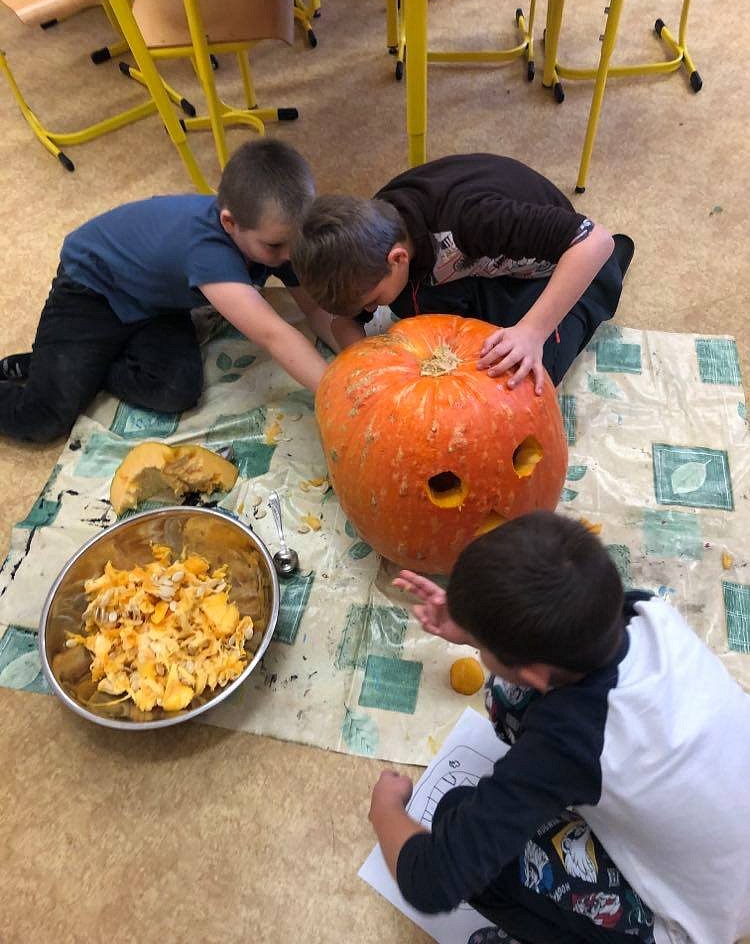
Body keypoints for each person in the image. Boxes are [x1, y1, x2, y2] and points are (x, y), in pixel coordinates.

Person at [368, 512, 750, 944]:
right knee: (508, 698)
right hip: (725, 837)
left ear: (533, 670)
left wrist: (386, 811)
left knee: (454, 813)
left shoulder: (569, 740)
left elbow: (433, 881)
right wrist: (479, 627)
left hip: (698, 921)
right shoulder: (645, 610)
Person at [0, 139, 334, 444]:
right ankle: (64, 368)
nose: (290, 254)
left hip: (156, 301)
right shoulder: (208, 253)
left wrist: (356, 357)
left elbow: (316, 309)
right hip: (92, 290)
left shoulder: (275, 235)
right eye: (275, 245)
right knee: (43, 418)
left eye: (298, 239)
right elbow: (273, 335)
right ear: (229, 223)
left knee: (176, 389)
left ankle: (79, 367)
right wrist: (338, 396)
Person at [291, 153, 635, 392]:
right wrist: (369, 371)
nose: (369, 310)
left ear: (397, 258)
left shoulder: (474, 218)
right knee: (408, 306)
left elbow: (595, 240)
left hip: (556, 267)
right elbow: (343, 322)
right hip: (478, 267)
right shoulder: (373, 233)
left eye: (371, 301)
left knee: (527, 376)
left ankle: (607, 275)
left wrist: (531, 331)